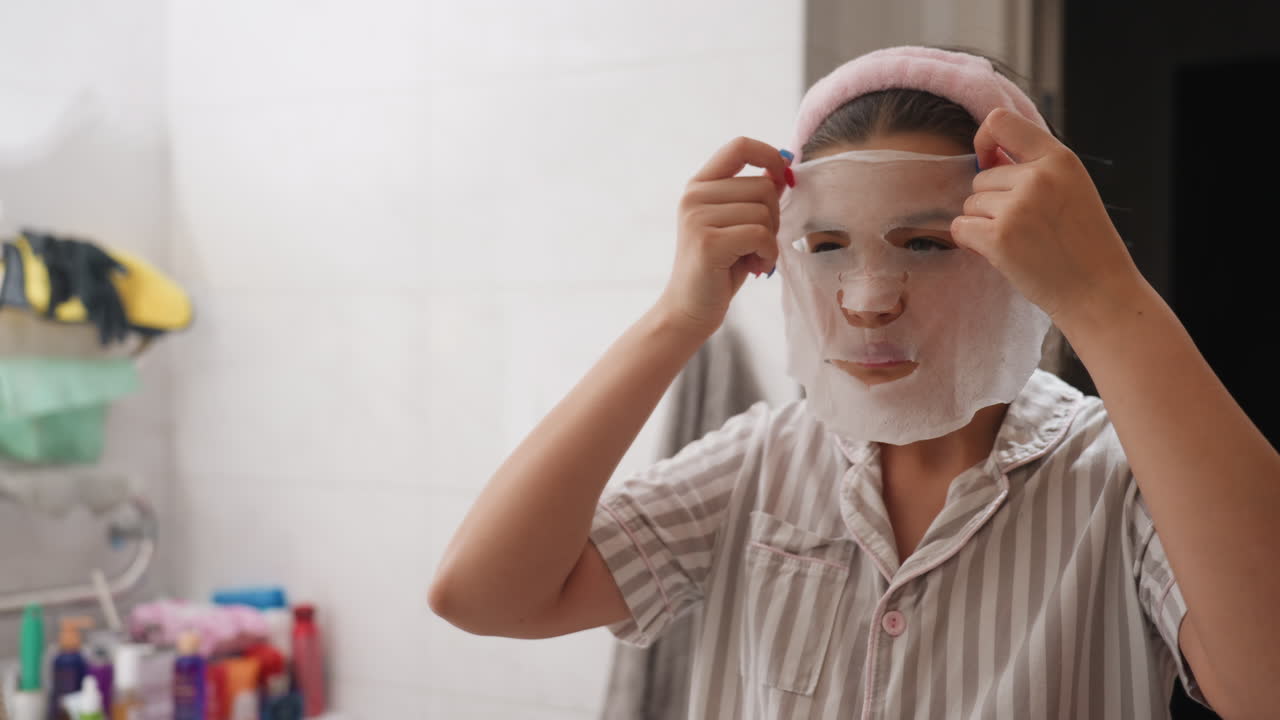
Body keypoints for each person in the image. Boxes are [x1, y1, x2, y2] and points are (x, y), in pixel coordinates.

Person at [428, 46, 1279, 719]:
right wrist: (675, 319)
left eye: (927, 243)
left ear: (1016, 255)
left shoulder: (1120, 477)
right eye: (829, 245)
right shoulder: (760, 461)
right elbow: (483, 594)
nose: (869, 301)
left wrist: (1104, 293)